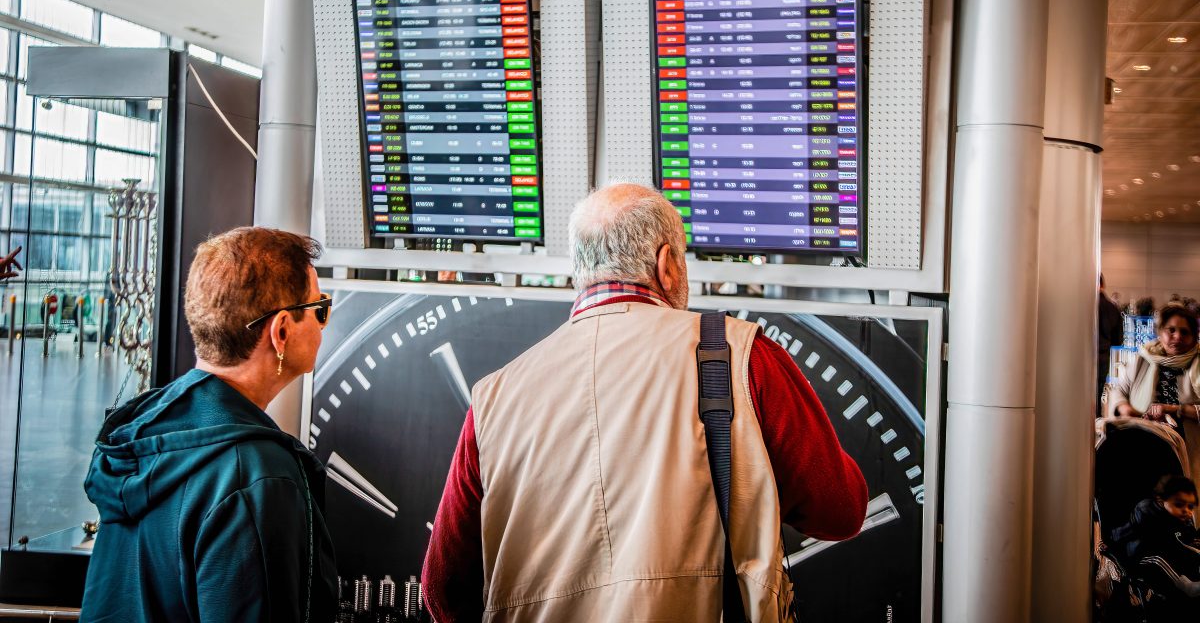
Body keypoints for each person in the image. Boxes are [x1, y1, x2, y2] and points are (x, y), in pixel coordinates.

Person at [422, 184, 867, 622]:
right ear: (667, 264)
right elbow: (840, 511)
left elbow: (442, 592)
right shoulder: (742, 357)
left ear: (581, 270)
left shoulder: (495, 398)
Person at [80, 227, 338, 622]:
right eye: (319, 308)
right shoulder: (257, 477)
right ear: (282, 330)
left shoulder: (143, 432)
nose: (323, 324)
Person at [1111, 303, 1200, 482]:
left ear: (1194, 337)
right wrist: (1124, 408)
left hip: (1188, 450)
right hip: (1142, 443)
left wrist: (1174, 409)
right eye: (1171, 330)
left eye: (1185, 332)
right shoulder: (1143, 358)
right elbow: (1119, 388)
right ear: (1160, 332)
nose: (1177, 336)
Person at [1110, 475, 1200, 616]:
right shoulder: (1146, 509)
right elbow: (1161, 541)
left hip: (1167, 549)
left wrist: (1193, 542)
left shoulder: (1183, 518)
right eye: (1179, 504)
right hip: (1140, 555)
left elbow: (1186, 538)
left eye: (1190, 506)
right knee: (1158, 559)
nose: (1186, 511)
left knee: (1191, 553)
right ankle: (1186, 585)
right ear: (1160, 500)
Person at [1097, 273, 1125, 414]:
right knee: (1098, 391)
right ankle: (1094, 420)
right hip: (1103, 357)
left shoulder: (1084, 306)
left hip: (1084, 357)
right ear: (1103, 284)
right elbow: (1118, 339)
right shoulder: (1112, 308)